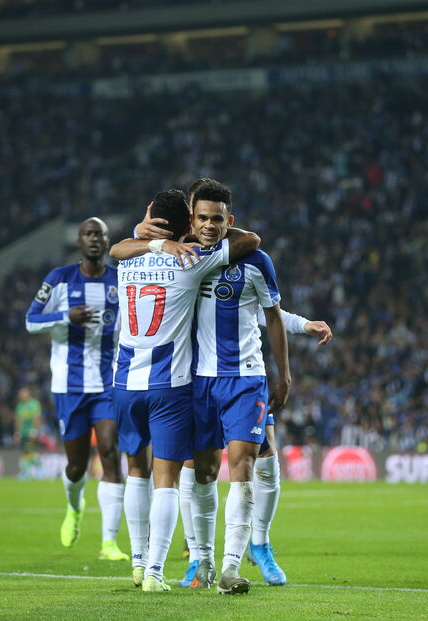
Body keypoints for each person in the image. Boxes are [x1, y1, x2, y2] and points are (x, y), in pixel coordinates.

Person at [137, 179, 333, 589]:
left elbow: (271, 314)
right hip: (194, 381)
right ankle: (201, 560)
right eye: (202, 218)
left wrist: (286, 372)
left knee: (249, 463)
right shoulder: (180, 256)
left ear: (230, 220)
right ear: (191, 220)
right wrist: (144, 234)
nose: (209, 225)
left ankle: (236, 562)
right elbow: (126, 251)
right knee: (200, 471)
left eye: (217, 218)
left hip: (245, 378)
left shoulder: (254, 259)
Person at [109, 188, 259, 593]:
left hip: (124, 382)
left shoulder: (128, 258)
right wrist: (191, 238)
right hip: (169, 386)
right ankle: (155, 573)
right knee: (167, 481)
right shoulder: (191, 261)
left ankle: (138, 563)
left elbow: (117, 248)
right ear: (189, 223)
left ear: (149, 218)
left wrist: (148, 237)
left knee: (135, 473)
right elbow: (250, 241)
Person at [25, 217, 128, 561]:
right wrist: (65, 317)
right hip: (69, 386)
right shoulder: (58, 279)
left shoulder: (120, 280)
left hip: (109, 385)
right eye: (88, 233)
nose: (94, 239)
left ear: (107, 240)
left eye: (100, 234)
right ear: (80, 242)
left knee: (111, 454)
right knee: (76, 467)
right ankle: (75, 507)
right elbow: (30, 320)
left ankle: (109, 542)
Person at [14, 386, 43, 480]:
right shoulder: (19, 406)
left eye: (23, 393)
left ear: (28, 394)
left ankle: (27, 473)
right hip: (23, 433)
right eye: (20, 393)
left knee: (27, 452)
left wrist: (34, 431)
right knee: (27, 452)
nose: (20, 395)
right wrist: (17, 433)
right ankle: (38, 467)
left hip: (31, 432)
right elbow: (18, 420)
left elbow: (37, 418)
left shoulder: (34, 404)